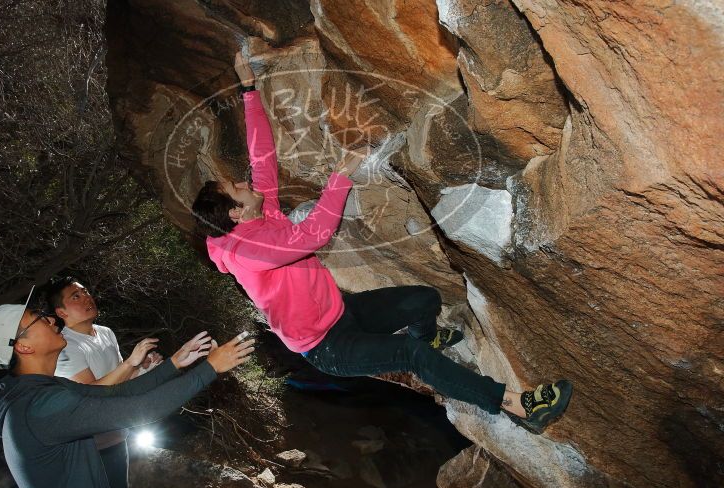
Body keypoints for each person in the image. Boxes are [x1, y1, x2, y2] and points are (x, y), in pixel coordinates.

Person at [190, 52, 572, 434]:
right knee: (410, 354)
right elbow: (311, 237)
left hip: (341, 311)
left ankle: (431, 339)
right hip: (326, 346)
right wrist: (340, 177)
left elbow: (263, 158)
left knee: (425, 300)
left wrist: (248, 89)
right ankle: (516, 406)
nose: (245, 183)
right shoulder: (245, 253)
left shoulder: (262, 212)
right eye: (236, 188)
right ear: (236, 214)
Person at [0, 290, 254, 488]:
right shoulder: (38, 406)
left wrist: (173, 364)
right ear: (24, 346)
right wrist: (210, 368)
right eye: (38, 318)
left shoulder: (42, 390)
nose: (50, 319)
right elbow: (138, 409)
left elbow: (116, 393)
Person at [44, 277, 157, 488]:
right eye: (75, 296)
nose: (87, 298)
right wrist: (131, 363)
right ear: (61, 312)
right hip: (87, 444)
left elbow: (119, 378)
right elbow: (91, 395)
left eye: (86, 292)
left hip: (115, 433)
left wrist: (143, 368)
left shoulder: (105, 332)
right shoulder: (64, 345)